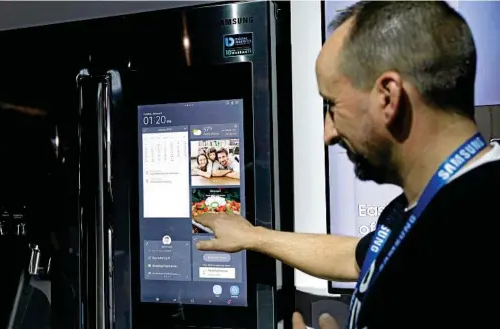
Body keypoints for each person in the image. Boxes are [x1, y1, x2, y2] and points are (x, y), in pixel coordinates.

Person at [193, 1, 500, 328]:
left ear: (388, 97)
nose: (328, 133)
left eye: (332, 105)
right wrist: (254, 237)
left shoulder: (475, 224)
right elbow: (355, 256)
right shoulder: (422, 211)